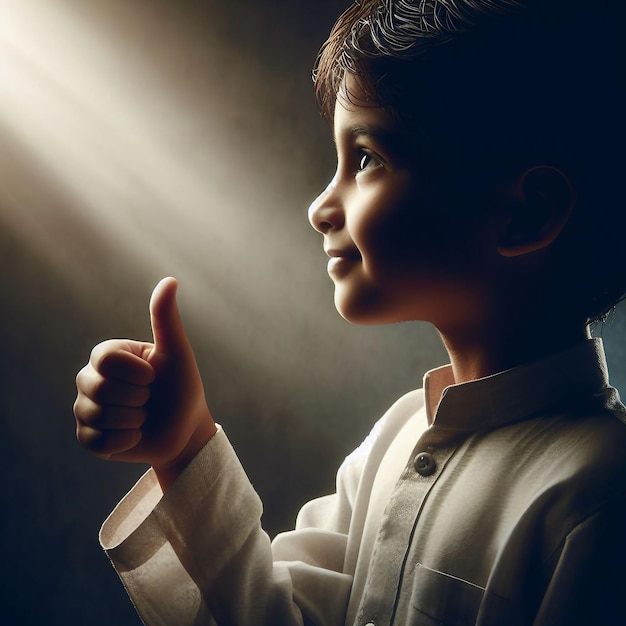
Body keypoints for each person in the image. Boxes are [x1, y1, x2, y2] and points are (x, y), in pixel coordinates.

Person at [73, 0, 626, 624]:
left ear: (525, 213)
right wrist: (183, 447)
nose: (320, 208)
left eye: (366, 159)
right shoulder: (396, 437)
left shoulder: (600, 496)